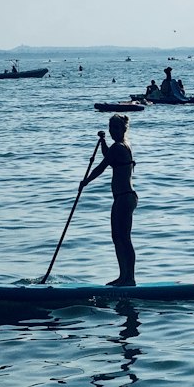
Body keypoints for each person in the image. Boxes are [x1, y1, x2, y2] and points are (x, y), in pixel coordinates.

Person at [80, 114, 137, 286]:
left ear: (123, 129)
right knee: (118, 236)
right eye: (110, 128)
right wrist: (103, 142)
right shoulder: (123, 146)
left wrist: (85, 182)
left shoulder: (119, 147)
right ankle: (125, 277)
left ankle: (128, 278)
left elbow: (102, 166)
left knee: (123, 237)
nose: (112, 131)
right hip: (125, 197)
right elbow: (110, 158)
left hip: (124, 197)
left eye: (116, 128)